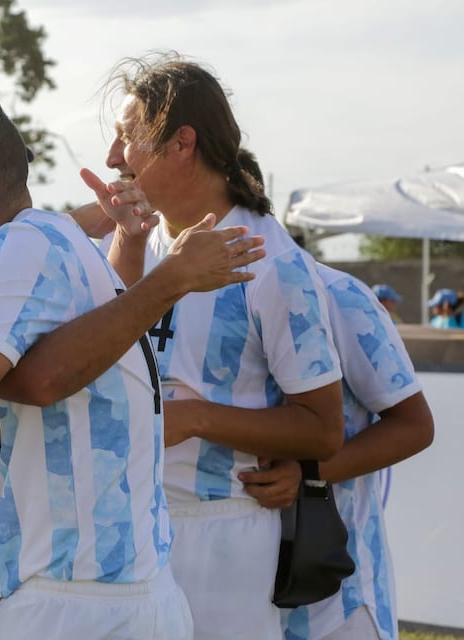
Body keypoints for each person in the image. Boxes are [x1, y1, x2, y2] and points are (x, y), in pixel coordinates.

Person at [0, 86, 269, 640]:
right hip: (132, 595)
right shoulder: (57, 241)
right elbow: (54, 373)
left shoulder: (18, 245)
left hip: (74, 606)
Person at [96, 55, 345, 639]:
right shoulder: (143, 240)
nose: (112, 159)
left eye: (127, 138)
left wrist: (198, 419)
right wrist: (125, 249)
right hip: (128, 524)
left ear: (182, 144)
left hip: (221, 538)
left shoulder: (272, 264)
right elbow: (105, 351)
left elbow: (322, 430)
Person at [234, 150, 435, 640]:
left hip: (333, 594)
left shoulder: (340, 294)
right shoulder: (178, 297)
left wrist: (306, 474)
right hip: (233, 588)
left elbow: (415, 425)